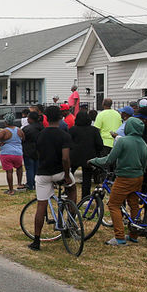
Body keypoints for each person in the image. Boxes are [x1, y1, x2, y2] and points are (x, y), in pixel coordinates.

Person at [88, 116, 147, 246]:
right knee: (134, 205)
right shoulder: (143, 143)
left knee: (114, 205)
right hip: (138, 177)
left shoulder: (123, 141)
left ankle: (120, 237)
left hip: (124, 177)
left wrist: (94, 161)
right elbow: (145, 163)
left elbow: (109, 160)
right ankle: (133, 235)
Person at [28, 106, 74, 251]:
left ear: (46, 117)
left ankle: (36, 240)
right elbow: (65, 158)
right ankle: (71, 220)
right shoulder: (64, 135)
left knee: (41, 206)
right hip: (59, 171)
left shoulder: (40, 135)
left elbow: (38, 154)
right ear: (61, 117)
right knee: (72, 189)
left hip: (43, 173)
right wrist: (66, 175)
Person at [68, 111, 104, 202]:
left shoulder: (72, 129)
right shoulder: (94, 130)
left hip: (74, 156)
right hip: (89, 157)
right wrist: (97, 153)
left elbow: (68, 142)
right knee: (87, 179)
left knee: (69, 175)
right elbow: (99, 144)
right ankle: (85, 198)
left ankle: (68, 192)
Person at [0, 114, 24, 195]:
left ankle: (11, 190)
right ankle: (19, 183)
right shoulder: (19, 130)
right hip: (18, 153)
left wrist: (0, 144)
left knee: (9, 171)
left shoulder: (4, 131)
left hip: (6, 153)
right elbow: (24, 138)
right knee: (19, 167)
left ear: (6, 122)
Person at [21, 111, 43, 192]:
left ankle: (30, 184)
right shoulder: (42, 128)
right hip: (39, 151)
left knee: (29, 168)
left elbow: (22, 139)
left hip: (28, 150)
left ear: (30, 119)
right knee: (37, 169)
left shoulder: (26, 129)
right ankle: (37, 184)